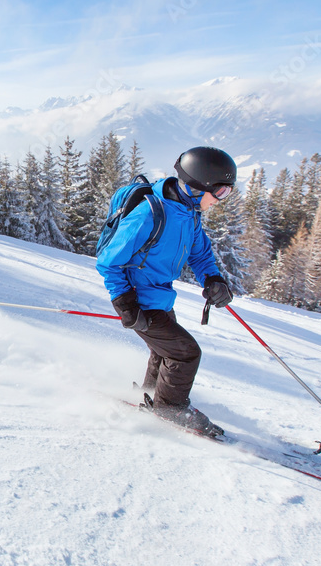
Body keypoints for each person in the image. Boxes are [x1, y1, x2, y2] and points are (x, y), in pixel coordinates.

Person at [96, 146, 237, 437]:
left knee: (164, 353)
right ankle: (170, 408)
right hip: (140, 299)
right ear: (199, 186)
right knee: (186, 354)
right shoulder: (150, 213)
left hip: (159, 297)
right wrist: (125, 304)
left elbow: (200, 254)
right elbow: (109, 261)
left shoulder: (189, 213)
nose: (221, 200)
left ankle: (150, 395)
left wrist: (213, 279)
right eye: (221, 192)